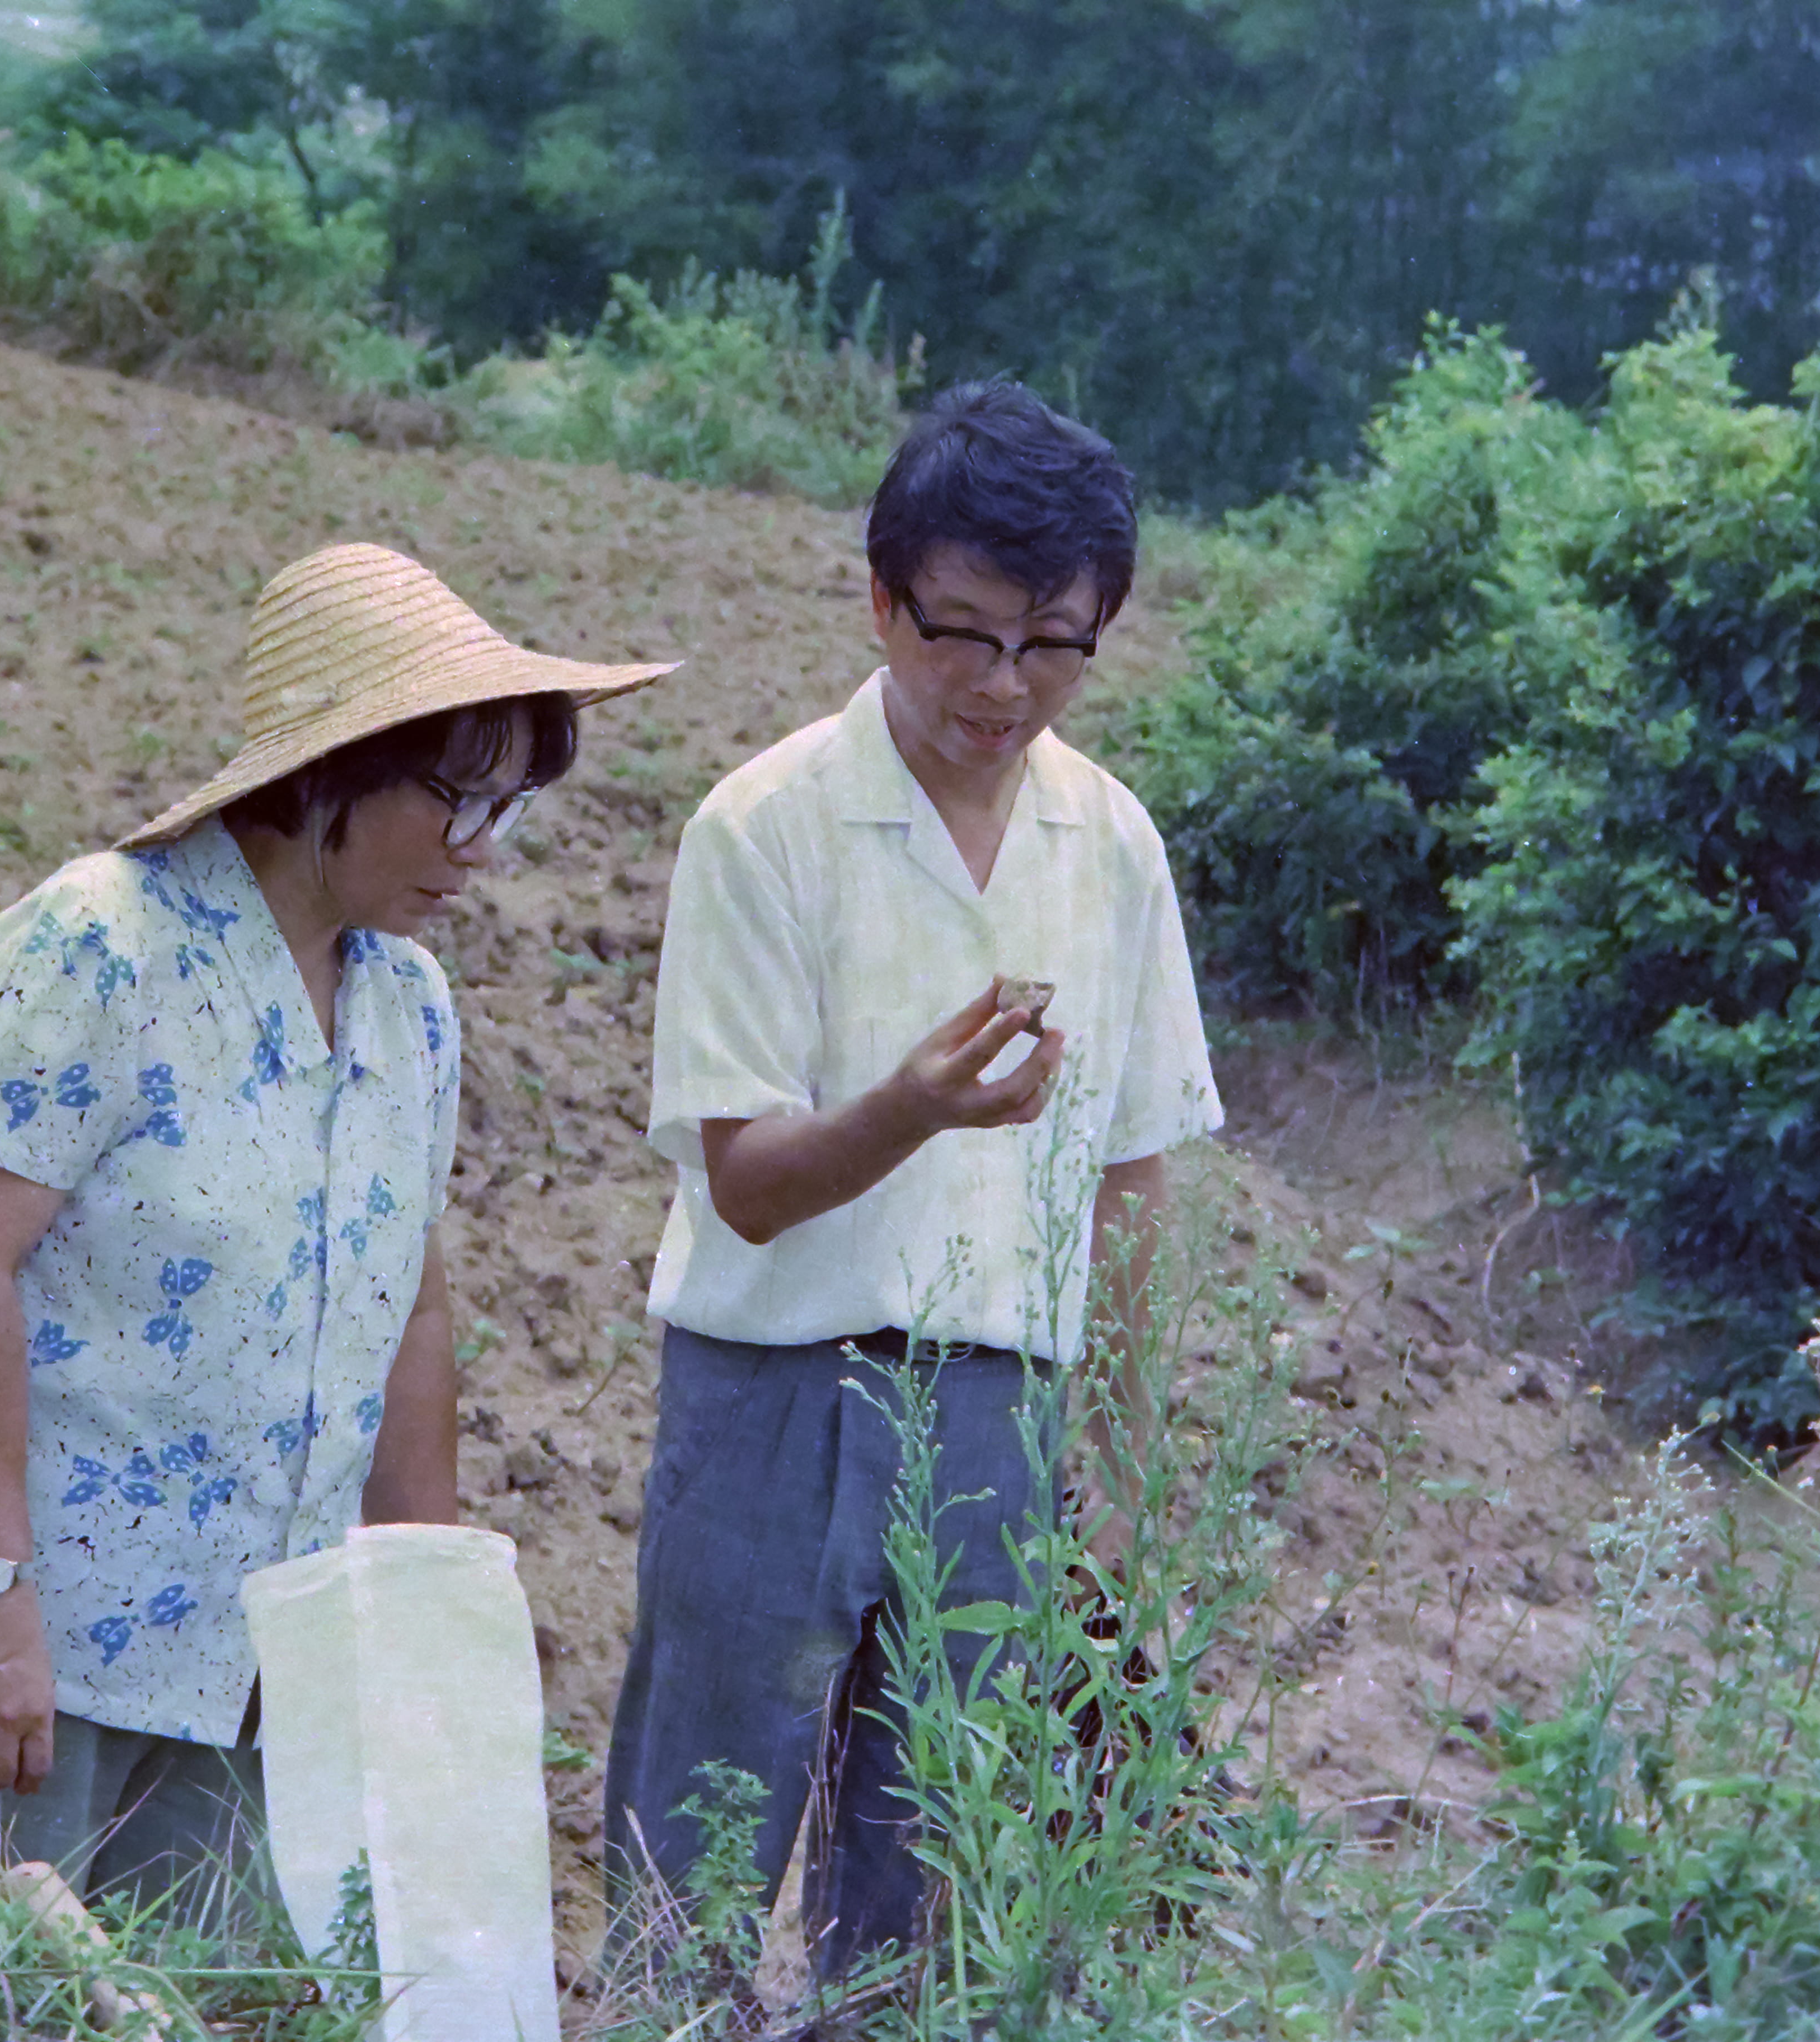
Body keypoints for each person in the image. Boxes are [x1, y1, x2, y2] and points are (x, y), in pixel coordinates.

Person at [0, 543, 674, 1907]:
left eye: (512, 809)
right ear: (334, 766)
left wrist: (406, 1626)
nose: (486, 852)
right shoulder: (101, 949)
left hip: (248, 1677)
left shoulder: (410, 1005)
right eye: (458, 802)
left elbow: (407, 1307)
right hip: (13, 1653)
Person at [600, 381, 1222, 1972]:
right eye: (963, 633)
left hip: (1001, 1410)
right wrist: (914, 1107)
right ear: (882, 604)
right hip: (771, 1400)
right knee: (701, 1861)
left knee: (929, 1887)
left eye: (1054, 645)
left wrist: (1130, 1487)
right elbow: (742, 1179)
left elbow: (1132, 1178)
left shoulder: (1113, 844)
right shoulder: (769, 829)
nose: (1004, 688)